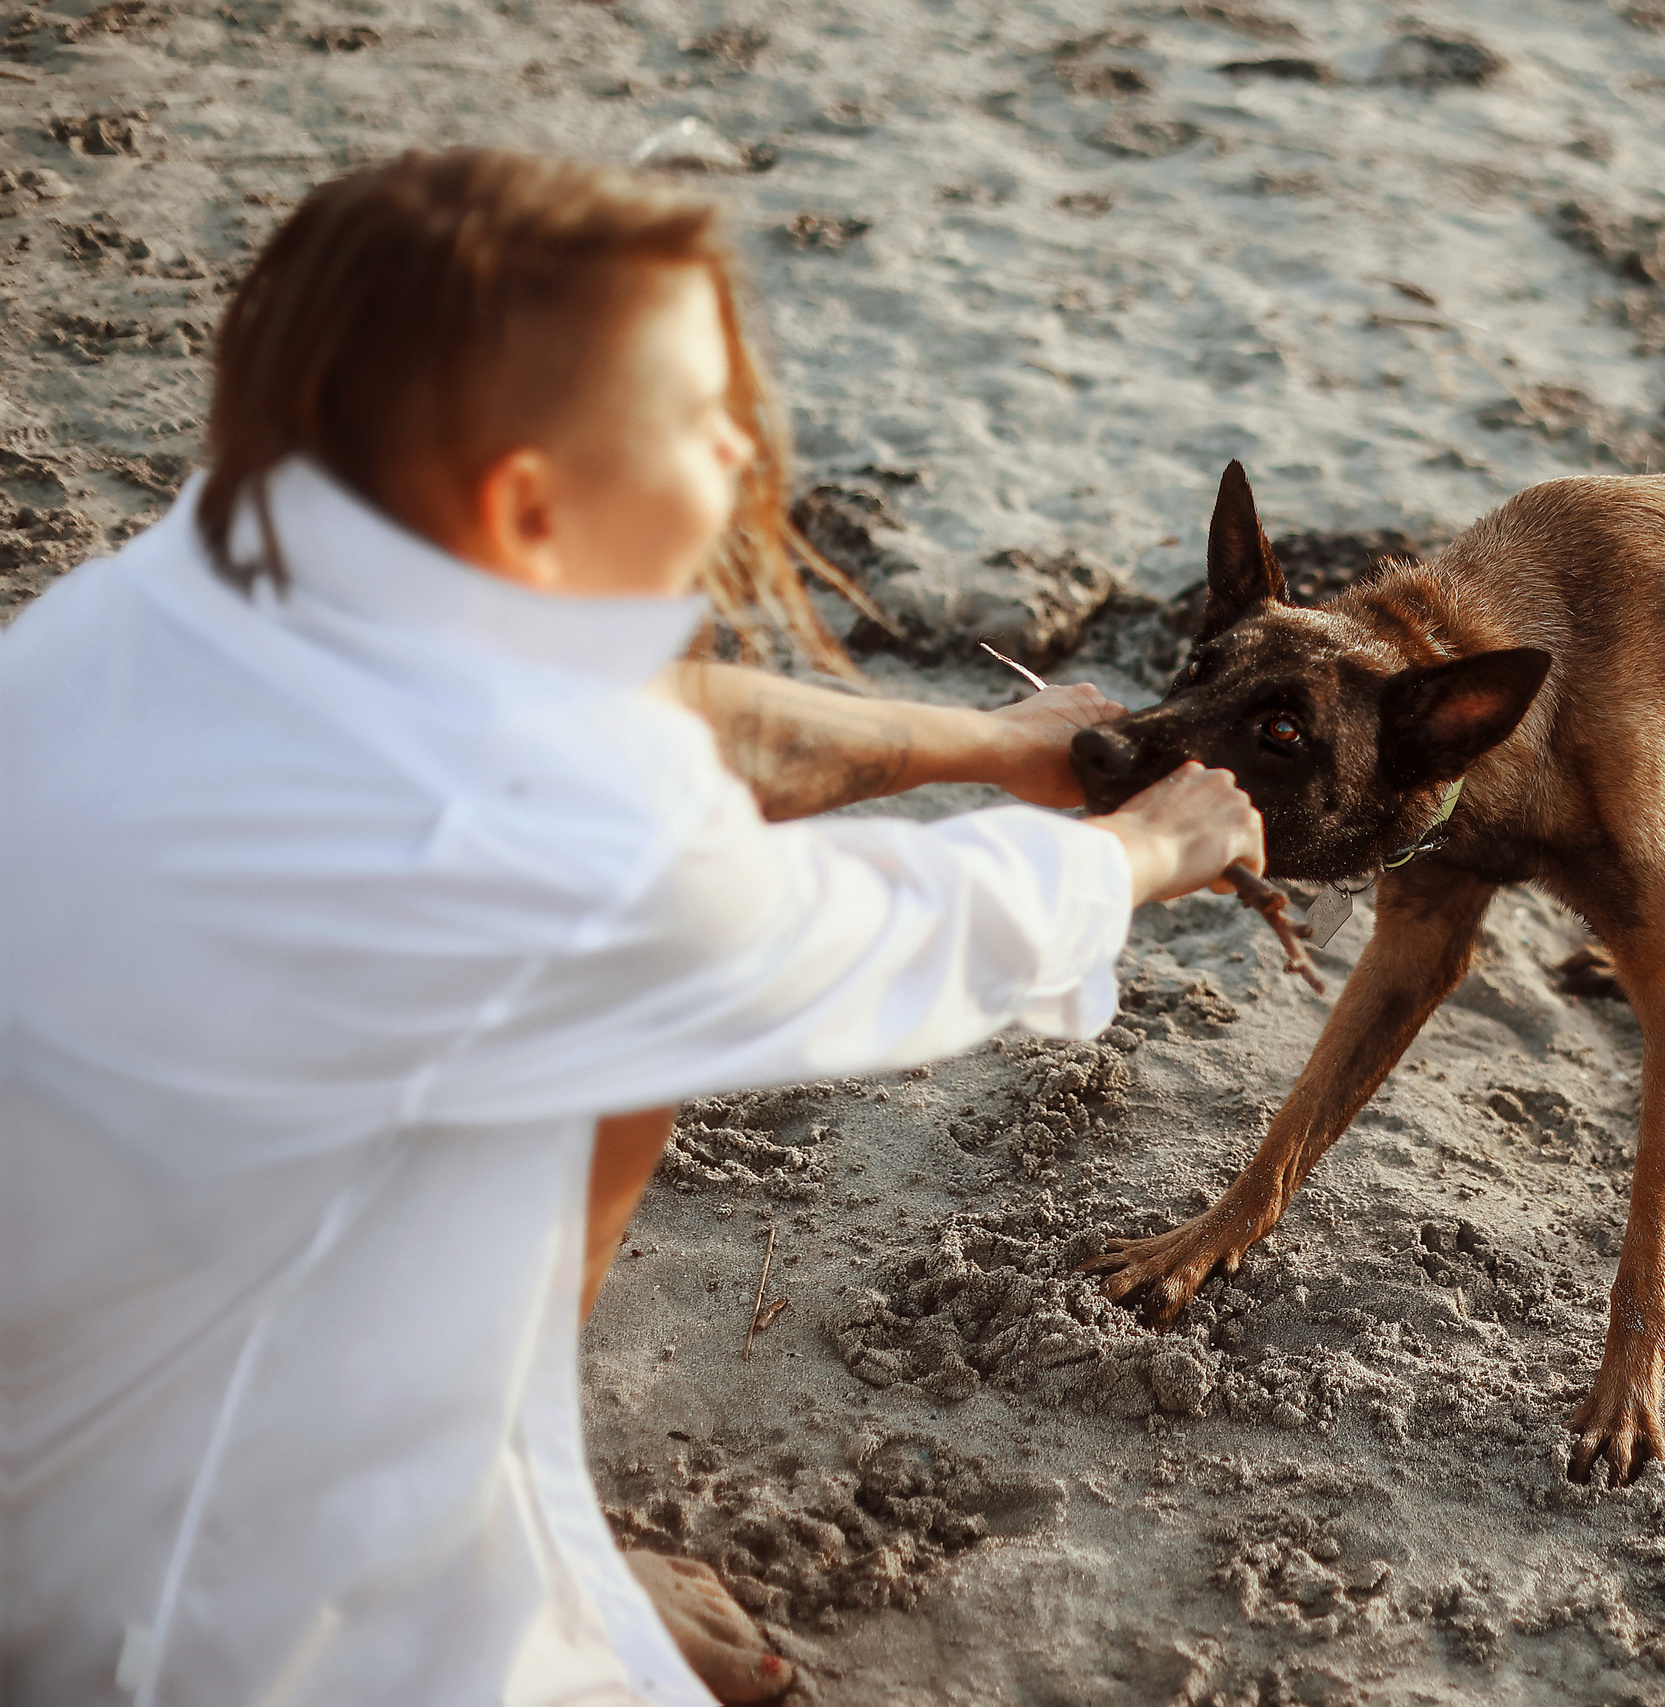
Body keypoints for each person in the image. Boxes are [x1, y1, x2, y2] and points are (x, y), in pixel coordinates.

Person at [0, 148, 1262, 1706]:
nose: (740, 449)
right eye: (700, 415)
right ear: (527, 504)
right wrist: (1143, 850)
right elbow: (876, 933)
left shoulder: (188, 588)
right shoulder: (494, 837)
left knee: (599, 1064)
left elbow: (650, 731)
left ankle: (522, 1533)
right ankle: (502, 1586)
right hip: (160, 1618)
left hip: (98, 1329)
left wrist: (983, 741)